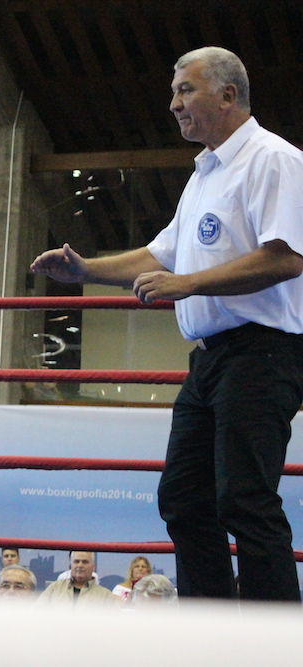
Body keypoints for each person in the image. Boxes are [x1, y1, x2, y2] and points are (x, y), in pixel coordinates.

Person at [31, 47, 303, 603]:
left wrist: (191, 284)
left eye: (186, 90)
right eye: (174, 91)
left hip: (263, 351)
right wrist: (85, 269)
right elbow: (161, 255)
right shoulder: (205, 173)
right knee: (182, 498)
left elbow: (287, 256)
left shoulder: (274, 159)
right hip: (209, 359)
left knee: (246, 501)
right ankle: (212, 630)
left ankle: (275, 640)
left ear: (228, 95)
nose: (173, 102)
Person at [35, 551, 117, 607]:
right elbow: (38, 612)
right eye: (76, 561)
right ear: (71, 566)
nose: (80, 565)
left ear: (93, 567)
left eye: (85, 562)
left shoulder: (106, 596)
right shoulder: (55, 588)